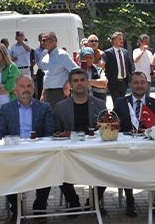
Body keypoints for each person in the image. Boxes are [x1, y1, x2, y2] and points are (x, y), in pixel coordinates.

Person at [50, 68, 107, 216]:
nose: (79, 83)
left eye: (82, 80)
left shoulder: (100, 105)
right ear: (70, 84)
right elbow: (56, 132)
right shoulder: (61, 107)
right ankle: (73, 201)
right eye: (75, 81)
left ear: (88, 82)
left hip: (95, 152)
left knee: (109, 167)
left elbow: (106, 130)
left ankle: (93, 201)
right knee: (57, 168)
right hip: (69, 153)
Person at [0, 75, 54, 219]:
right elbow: (0, 134)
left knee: (48, 167)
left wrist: (40, 148)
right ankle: (17, 209)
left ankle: (40, 208)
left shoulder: (44, 107)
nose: (26, 89)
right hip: (14, 153)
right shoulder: (6, 108)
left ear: (34, 89)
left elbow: (49, 132)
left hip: (38, 152)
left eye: (29, 86)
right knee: (6, 172)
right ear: (15, 90)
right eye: (22, 86)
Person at [113, 71, 155, 217]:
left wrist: (150, 130)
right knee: (126, 168)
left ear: (147, 84)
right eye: (136, 83)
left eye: (142, 82)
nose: (139, 86)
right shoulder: (120, 102)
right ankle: (130, 201)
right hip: (127, 148)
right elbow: (114, 124)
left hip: (149, 149)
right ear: (129, 85)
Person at [100, 32, 134, 101]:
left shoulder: (125, 52)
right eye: (120, 39)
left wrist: (132, 79)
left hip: (124, 82)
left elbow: (130, 66)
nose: (122, 41)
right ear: (114, 41)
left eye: (122, 39)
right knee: (117, 102)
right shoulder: (108, 53)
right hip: (114, 83)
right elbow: (104, 68)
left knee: (122, 102)